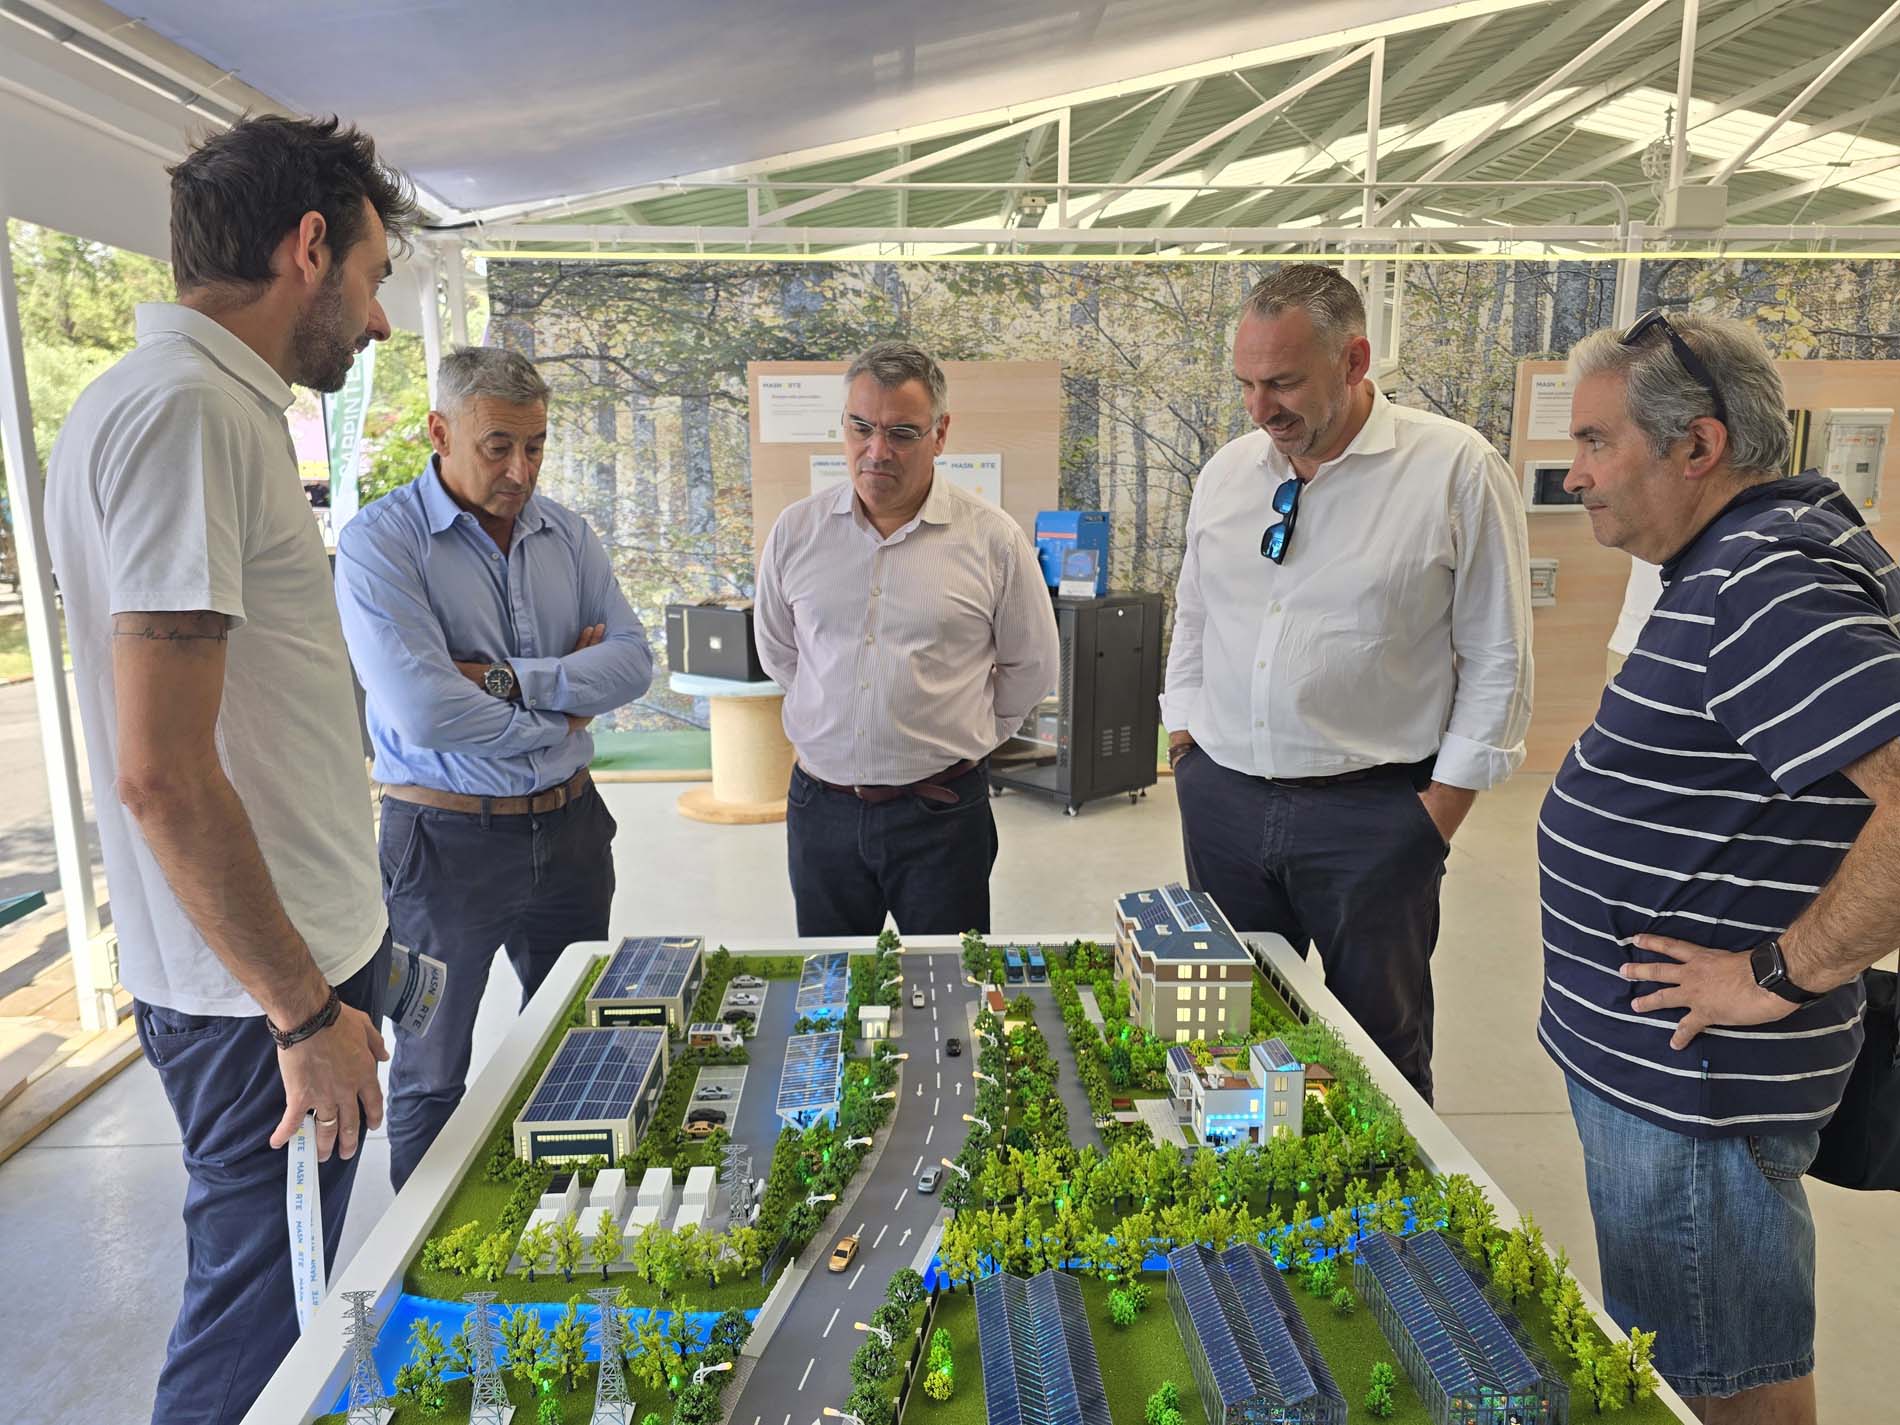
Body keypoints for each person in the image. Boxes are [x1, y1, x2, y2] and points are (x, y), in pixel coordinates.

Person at [41, 115, 414, 1424]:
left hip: (269, 977)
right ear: (309, 247)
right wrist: (304, 1015)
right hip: (261, 1002)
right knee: (255, 1334)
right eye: (372, 277)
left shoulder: (184, 405)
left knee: (285, 1317)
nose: (378, 321)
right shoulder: (188, 414)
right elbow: (161, 772)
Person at [1542, 312, 1898, 1423]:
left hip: (1697, 1096)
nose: (1574, 473)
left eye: (1596, 442)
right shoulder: (1740, 559)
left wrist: (1778, 973)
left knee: (1720, 1388)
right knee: (1711, 1364)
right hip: (1673, 1086)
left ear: (1697, 445)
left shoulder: (1763, 578)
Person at [1163, 265, 1532, 1102]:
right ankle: (1250, 1181)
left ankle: (1379, 1190)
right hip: (1224, 803)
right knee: (1233, 1038)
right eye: (1246, 383)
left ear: (1355, 360)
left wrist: (1432, 817)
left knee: (1378, 1054)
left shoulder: (1454, 469)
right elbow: (1196, 615)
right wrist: (1186, 746)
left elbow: (1498, 655)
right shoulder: (1228, 473)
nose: (1259, 408)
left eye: (1283, 382)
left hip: (1373, 817)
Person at [334, 345, 652, 1189]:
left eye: (536, 445)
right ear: (439, 432)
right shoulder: (381, 543)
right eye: (498, 446)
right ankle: (428, 1252)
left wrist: (507, 682)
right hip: (443, 849)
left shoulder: (567, 534)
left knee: (579, 1042)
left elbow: (633, 663)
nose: (522, 470)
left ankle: (571, 1217)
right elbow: (424, 711)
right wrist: (563, 707)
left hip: (571, 831)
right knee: (432, 1069)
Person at [754, 341, 1058, 936]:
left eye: (901, 433)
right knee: (833, 979)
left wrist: (967, 738)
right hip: (821, 810)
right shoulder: (796, 532)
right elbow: (780, 651)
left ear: (940, 434)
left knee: (948, 982)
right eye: (861, 427)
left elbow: (1031, 667)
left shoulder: (992, 540)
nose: (876, 451)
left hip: (941, 816)